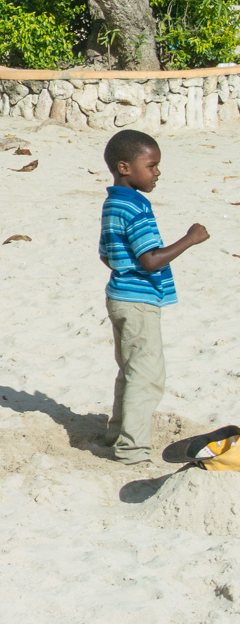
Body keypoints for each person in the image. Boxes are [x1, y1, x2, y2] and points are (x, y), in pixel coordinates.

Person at [99, 130, 209, 464]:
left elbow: (106, 254)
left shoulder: (113, 201)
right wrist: (190, 239)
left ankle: (116, 433)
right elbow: (151, 260)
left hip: (119, 295)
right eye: (152, 165)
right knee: (147, 376)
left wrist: (124, 267)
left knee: (130, 370)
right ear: (125, 167)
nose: (157, 172)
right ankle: (132, 449)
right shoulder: (135, 206)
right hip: (138, 303)